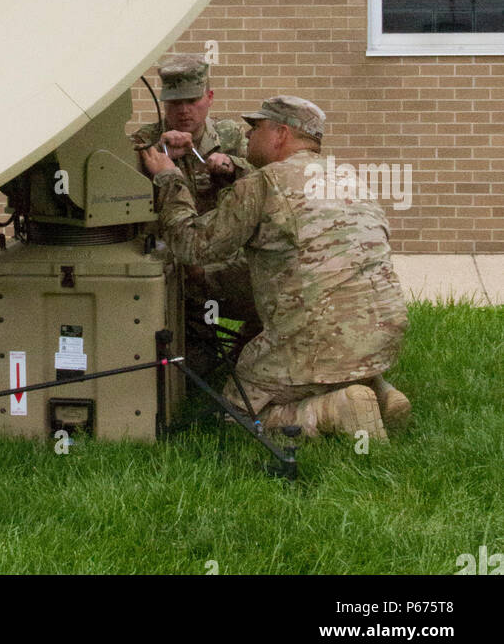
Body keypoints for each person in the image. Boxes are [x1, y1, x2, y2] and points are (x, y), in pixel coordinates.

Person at [141, 95, 410, 440]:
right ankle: (378, 388)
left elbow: (192, 245)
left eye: (256, 127)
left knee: (239, 414)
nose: (247, 134)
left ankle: (339, 409)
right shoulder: (349, 178)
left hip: (321, 340)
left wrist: (170, 180)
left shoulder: (265, 184)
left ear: (280, 133)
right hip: (383, 334)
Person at [131, 54, 262, 371]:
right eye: (174, 103)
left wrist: (230, 167)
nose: (184, 111)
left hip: (222, 269)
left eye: (192, 100)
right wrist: (160, 157)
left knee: (275, 303)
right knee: (196, 368)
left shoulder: (231, 137)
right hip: (172, 274)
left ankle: (246, 350)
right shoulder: (143, 143)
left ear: (210, 98)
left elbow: (264, 185)